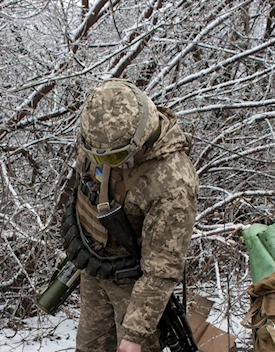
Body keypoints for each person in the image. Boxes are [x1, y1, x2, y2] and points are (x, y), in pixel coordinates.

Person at [59, 78, 199, 352]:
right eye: (95, 154)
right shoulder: (100, 137)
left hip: (137, 288)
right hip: (95, 266)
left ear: (140, 138)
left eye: (113, 158)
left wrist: (134, 335)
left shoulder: (172, 182)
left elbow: (161, 269)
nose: (101, 162)